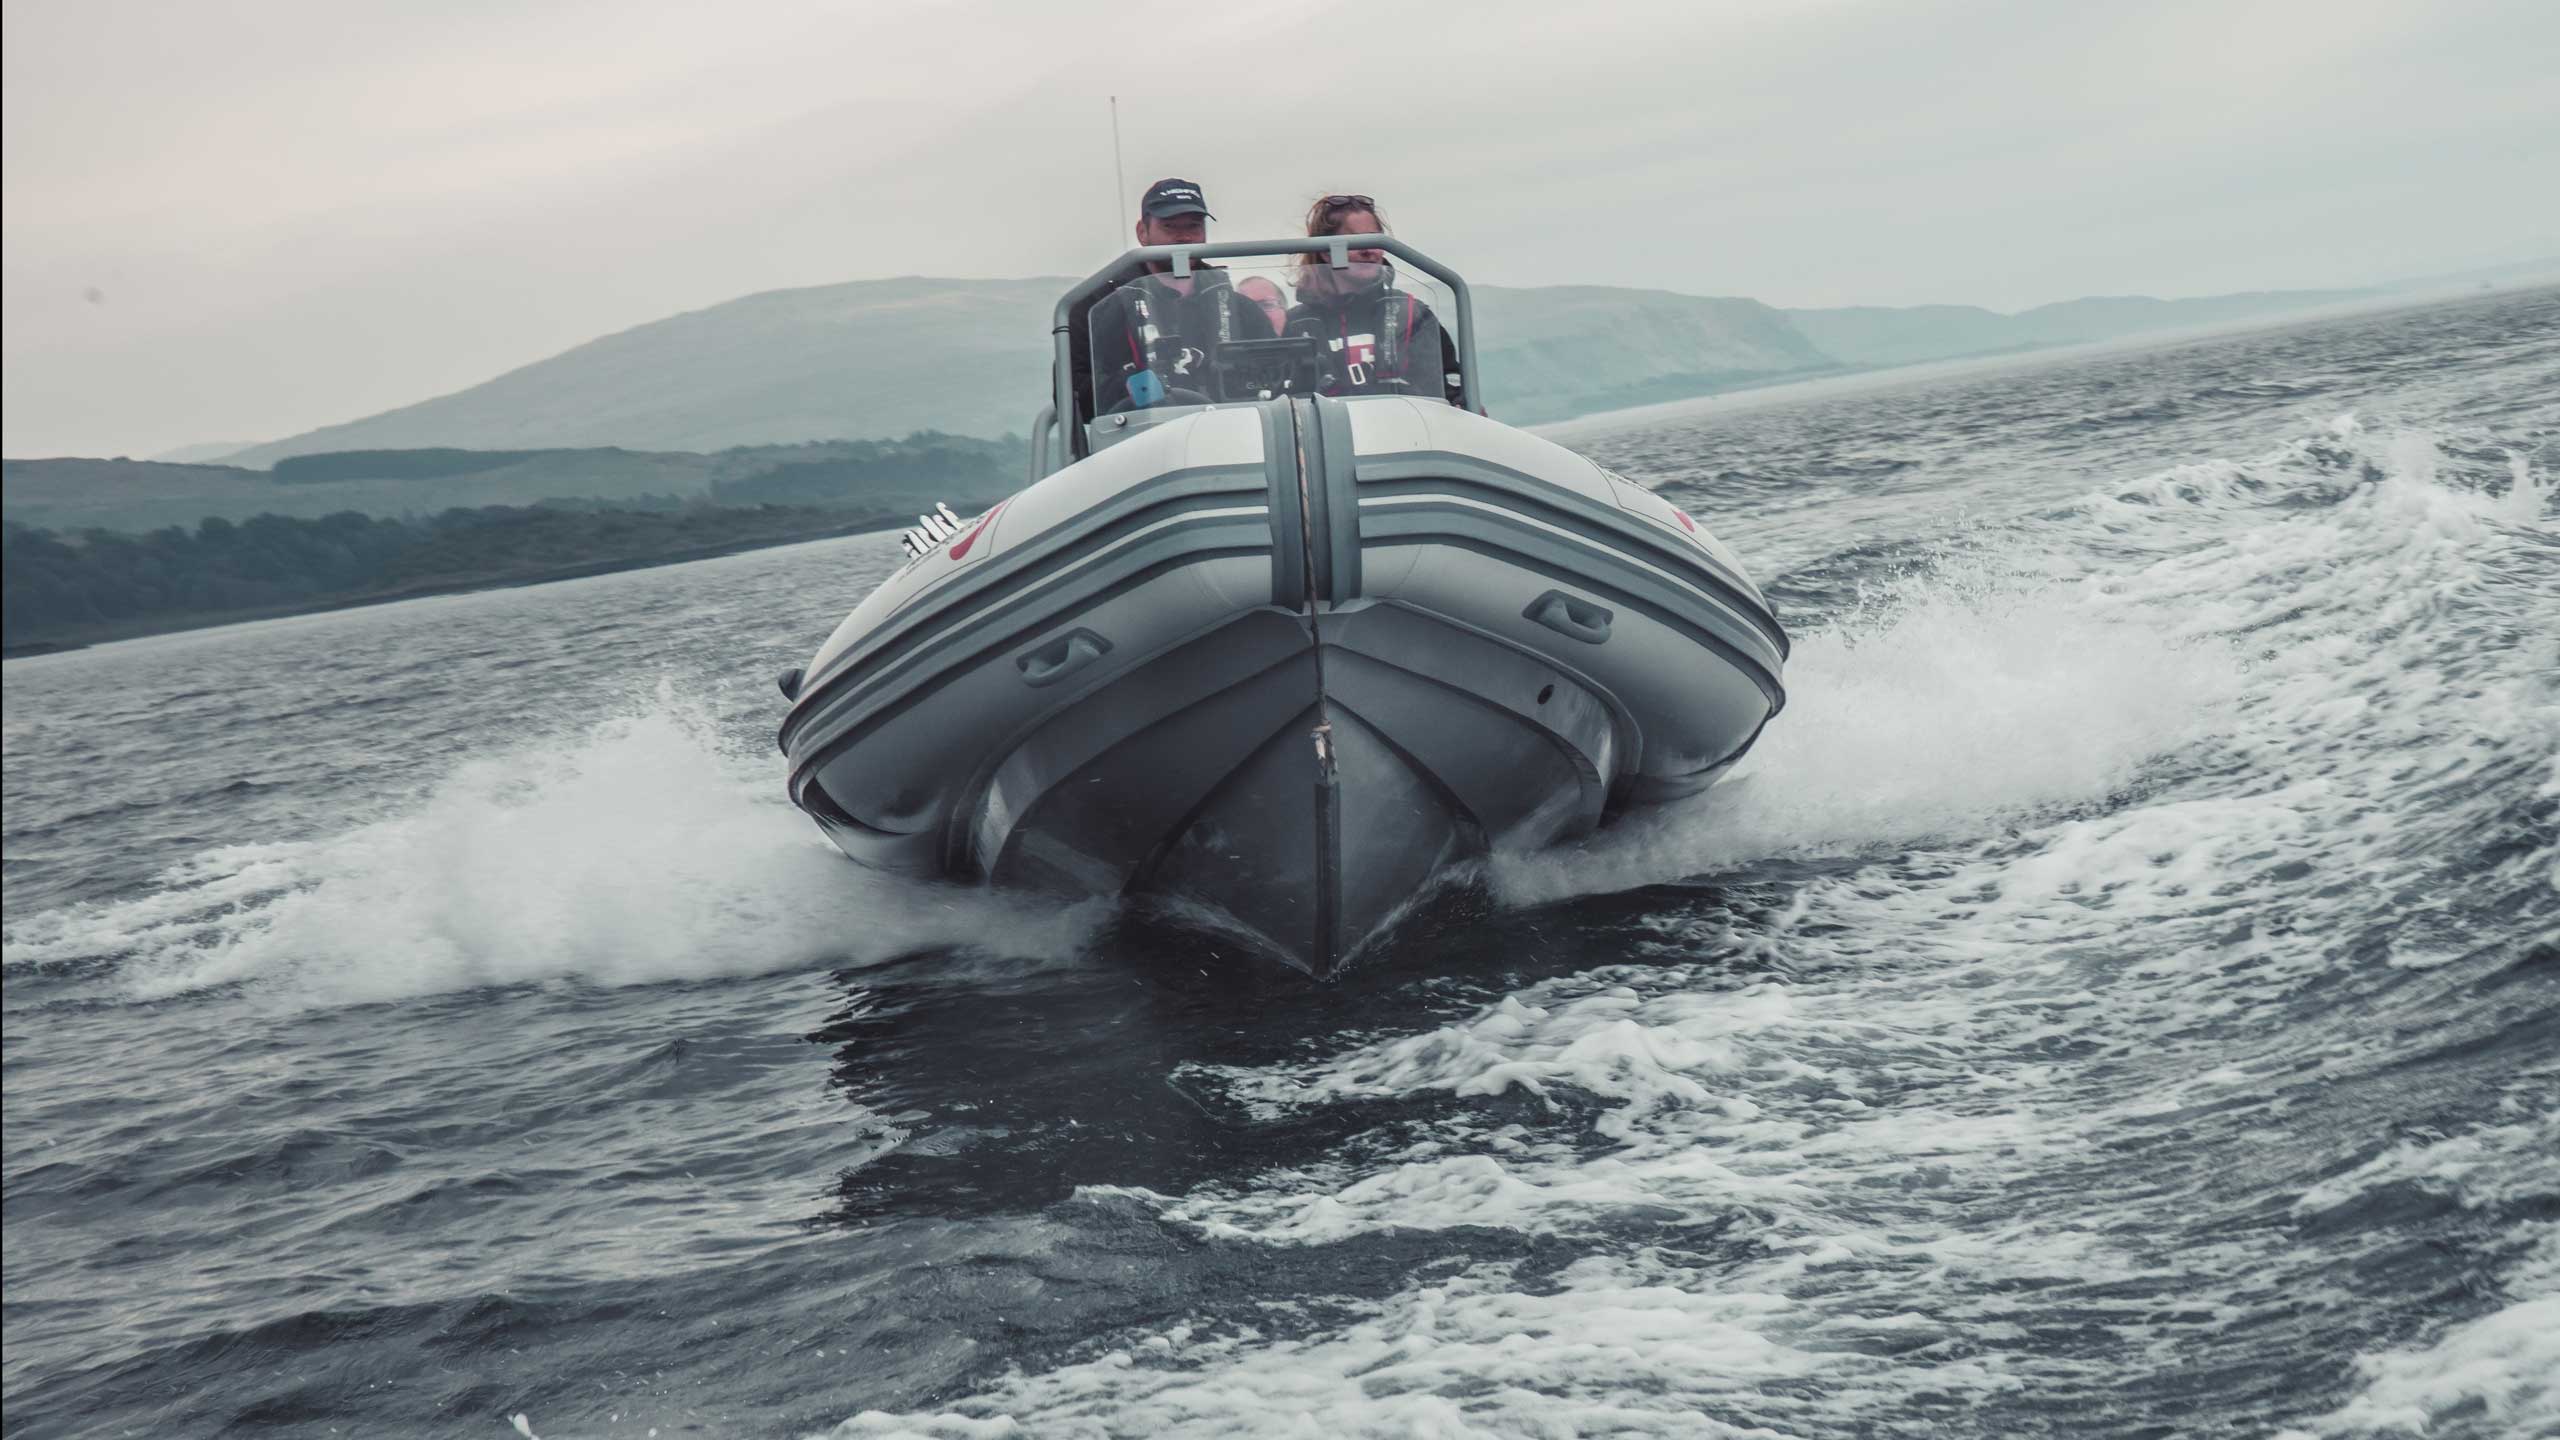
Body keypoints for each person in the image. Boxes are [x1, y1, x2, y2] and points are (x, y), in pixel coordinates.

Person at [1082, 178, 1268, 413]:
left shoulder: (1241, 309)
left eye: (1193, 226)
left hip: (1231, 428)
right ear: (1142, 232)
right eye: (1170, 227)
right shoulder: (1098, 308)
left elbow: (1277, 377)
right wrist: (1131, 386)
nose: (1184, 237)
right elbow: (1075, 396)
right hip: (1139, 431)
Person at [1284, 195, 1464, 406]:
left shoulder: (1412, 316)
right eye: (1353, 242)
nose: (1367, 250)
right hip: (1330, 427)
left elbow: (1451, 395)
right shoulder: (1298, 325)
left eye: (1373, 240)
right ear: (1327, 253)